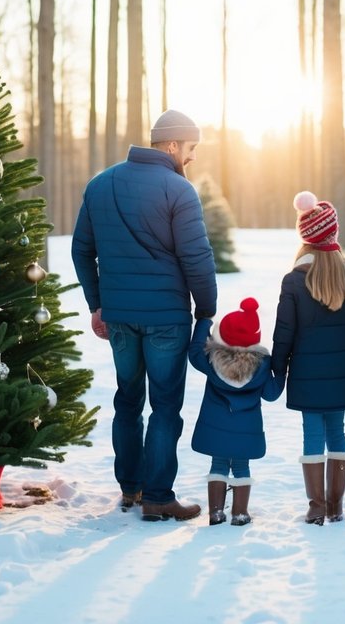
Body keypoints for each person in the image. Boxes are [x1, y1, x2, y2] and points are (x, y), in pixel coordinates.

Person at [71, 109, 218, 522]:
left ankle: (130, 487)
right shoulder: (178, 190)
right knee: (166, 405)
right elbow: (196, 256)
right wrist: (206, 306)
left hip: (119, 318)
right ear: (171, 145)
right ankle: (157, 496)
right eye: (190, 148)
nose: (191, 157)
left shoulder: (100, 184)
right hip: (166, 319)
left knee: (127, 400)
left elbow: (82, 249)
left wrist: (97, 303)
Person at [272, 192, 345, 524]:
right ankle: (336, 505)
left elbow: (283, 332)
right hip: (342, 370)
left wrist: (277, 371)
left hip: (305, 372)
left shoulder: (294, 279)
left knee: (312, 434)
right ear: (334, 233)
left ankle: (316, 506)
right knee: (338, 431)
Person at [188, 298, 284, 526]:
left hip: (216, 426)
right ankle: (240, 513)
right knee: (241, 465)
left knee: (218, 463)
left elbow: (193, 353)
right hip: (246, 430)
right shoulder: (261, 367)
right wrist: (280, 370)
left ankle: (216, 512)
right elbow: (271, 394)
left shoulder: (211, 361)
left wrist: (204, 323)